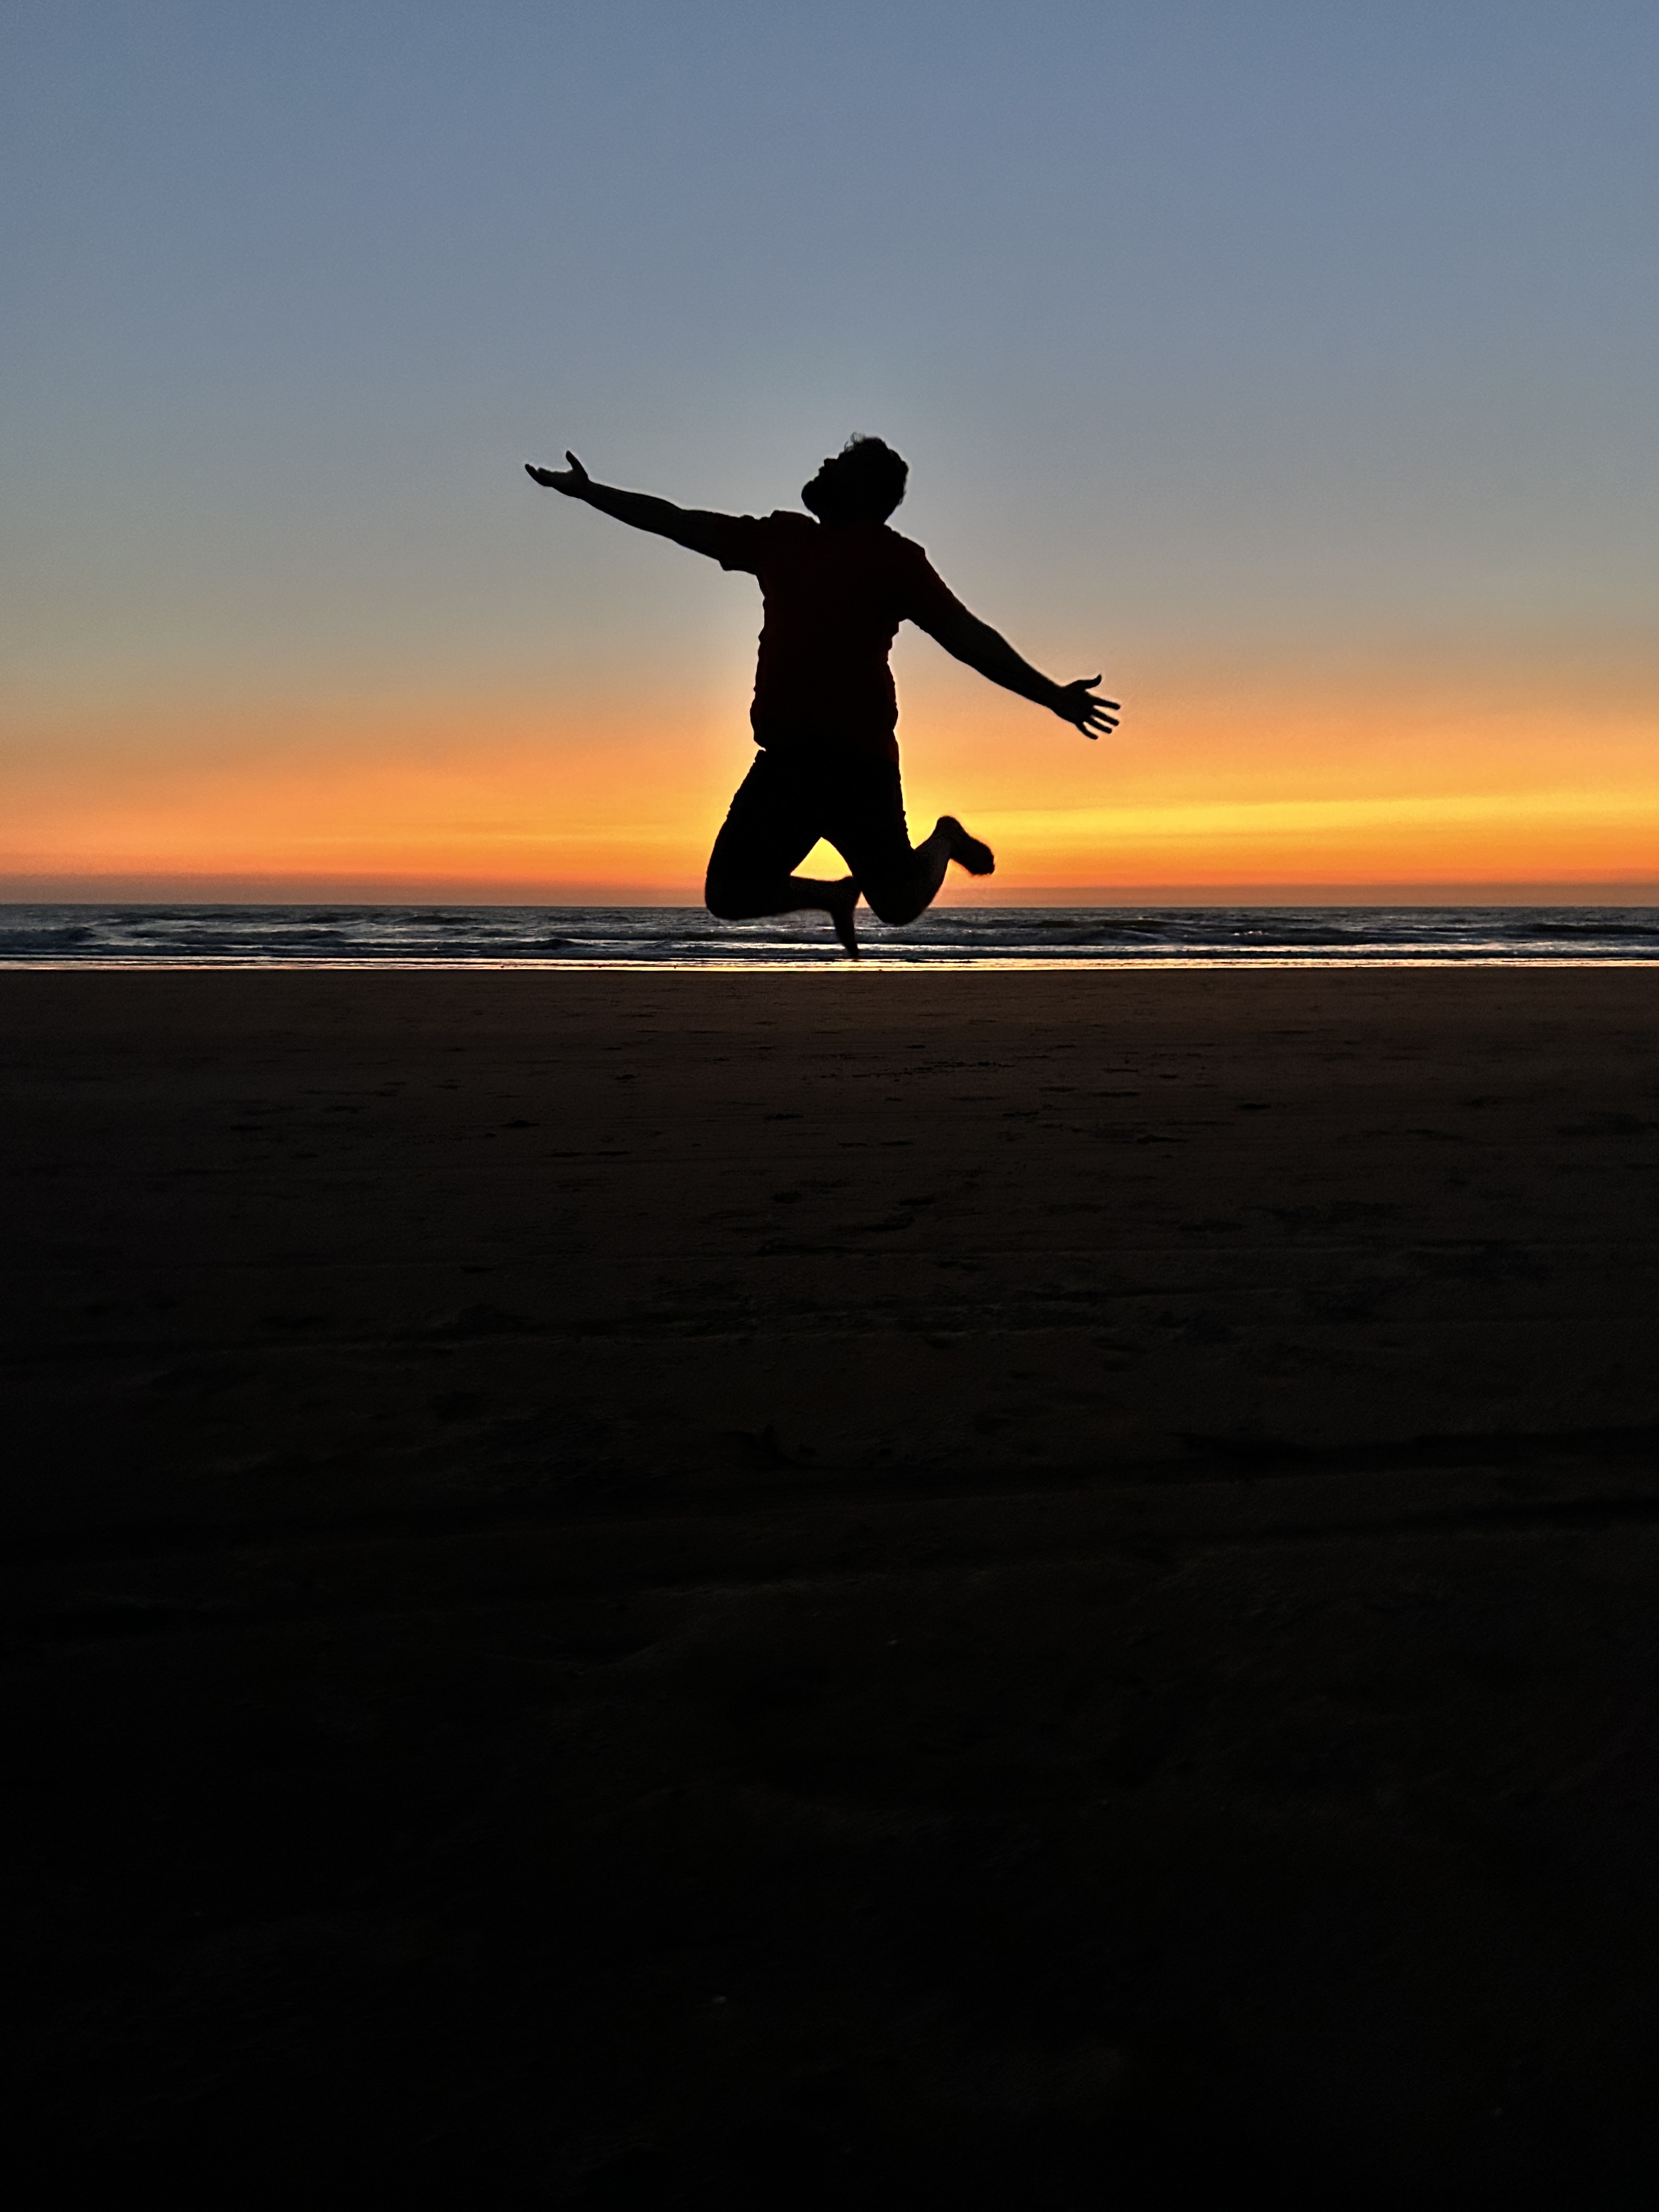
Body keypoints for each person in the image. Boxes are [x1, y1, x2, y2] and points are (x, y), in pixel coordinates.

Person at [525, 436, 1118, 954]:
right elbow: (677, 521)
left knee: (897, 904)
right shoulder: (781, 538)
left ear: (863, 492)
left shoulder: (895, 560)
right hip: (785, 764)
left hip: (857, 767)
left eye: (839, 463)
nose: (825, 464)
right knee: (727, 893)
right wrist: (589, 492)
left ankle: (943, 838)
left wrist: (1051, 695)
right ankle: (833, 895)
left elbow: (967, 637)